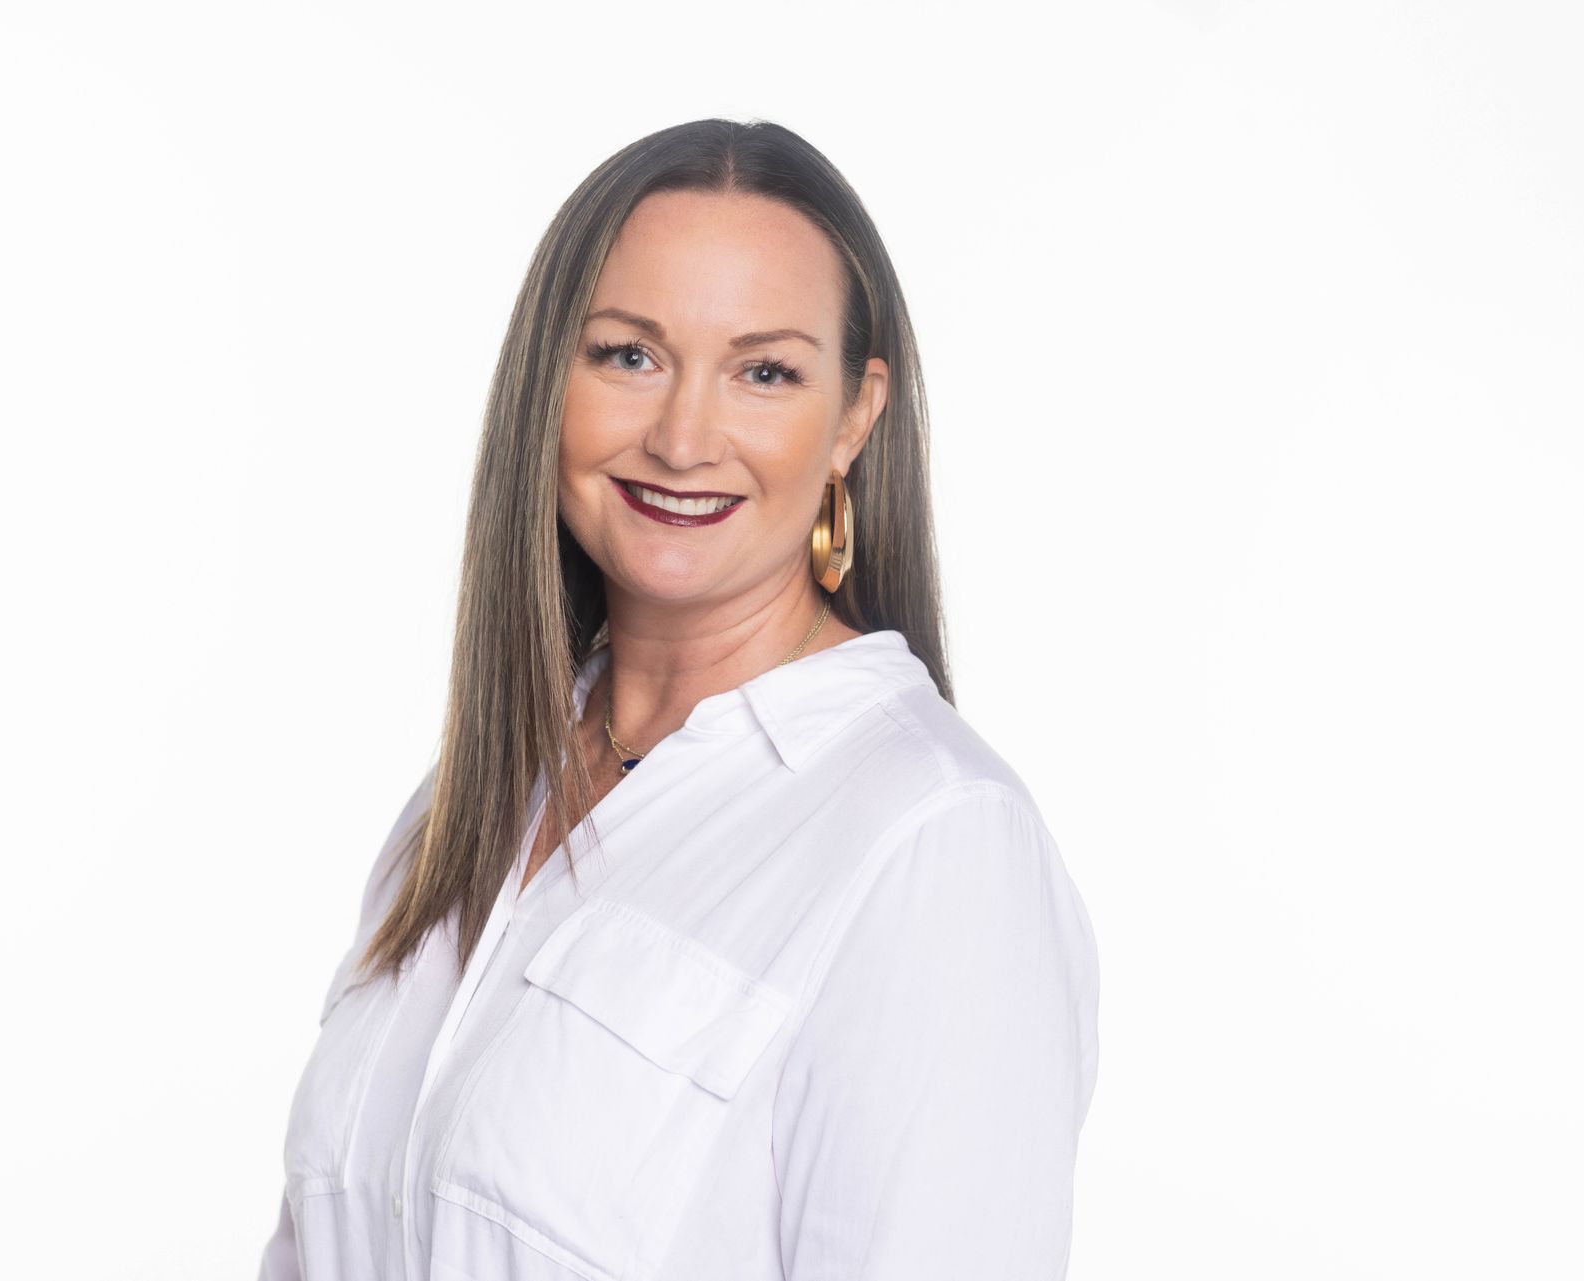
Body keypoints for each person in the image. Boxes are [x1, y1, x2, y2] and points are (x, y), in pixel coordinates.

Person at [256, 117, 1099, 1281]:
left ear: (854, 417)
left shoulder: (932, 845)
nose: (684, 438)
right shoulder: (474, 794)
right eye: (628, 356)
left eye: (765, 372)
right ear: (546, 380)